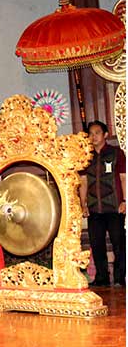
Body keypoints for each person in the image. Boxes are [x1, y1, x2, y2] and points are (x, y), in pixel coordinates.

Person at [79, 120, 126, 287]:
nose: (94, 136)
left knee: (119, 243)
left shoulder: (116, 153)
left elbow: (123, 178)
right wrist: (83, 204)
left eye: (97, 133)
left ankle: (121, 278)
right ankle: (102, 278)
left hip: (114, 207)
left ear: (105, 134)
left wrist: (125, 201)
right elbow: (83, 182)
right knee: (96, 244)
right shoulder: (86, 155)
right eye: (91, 133)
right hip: (94, 209)